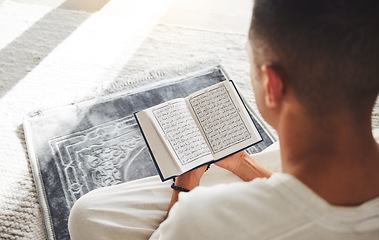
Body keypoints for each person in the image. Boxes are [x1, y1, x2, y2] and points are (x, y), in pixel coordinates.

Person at [68, 0, 379, 239]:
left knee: (86, 214)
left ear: (272, 85)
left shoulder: (198, 219)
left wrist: (185, 189)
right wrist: (243, 164)